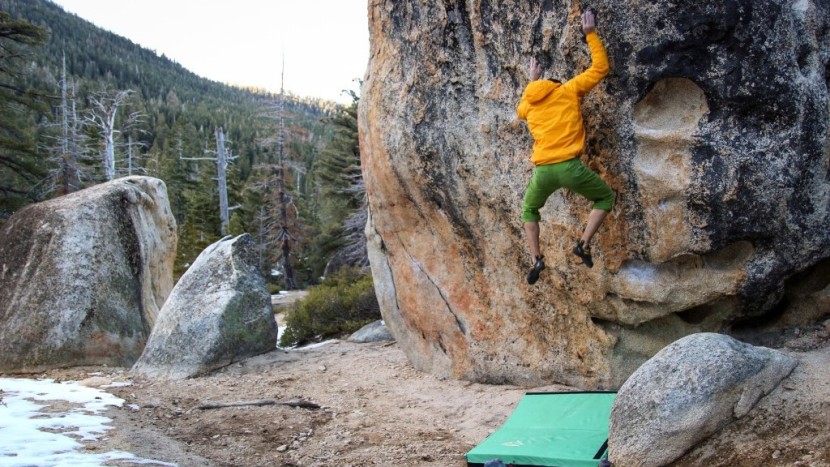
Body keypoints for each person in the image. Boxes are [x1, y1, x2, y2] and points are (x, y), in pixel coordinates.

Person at [517, 9, 615, 284]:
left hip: (543, 172)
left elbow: (522, 108)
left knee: (529, 210)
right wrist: (590, 34)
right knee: (605, 198)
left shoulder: (529, 107)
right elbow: (600, 68)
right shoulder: (568, 90)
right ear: (555, 84)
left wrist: (532, 82)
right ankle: (582, 244)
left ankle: (536, 258)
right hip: (569, 167)